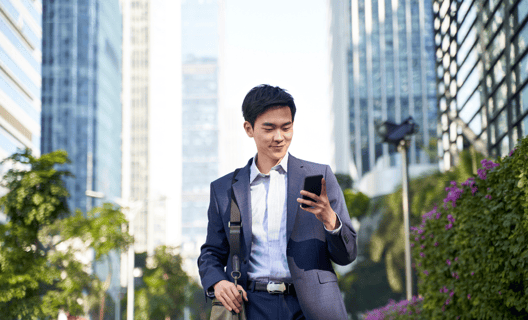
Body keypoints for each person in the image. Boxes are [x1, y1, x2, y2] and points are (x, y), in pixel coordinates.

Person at [198, 84, 357, 319]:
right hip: (252, 306)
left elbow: (347, 255)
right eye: (269, 128)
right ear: (249, 128)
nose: (279, 137)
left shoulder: (320, 177)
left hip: (312, 307)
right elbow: (211, 252)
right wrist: (217, 282)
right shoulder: (224, 189)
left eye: (286, 127)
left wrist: (330, 219)